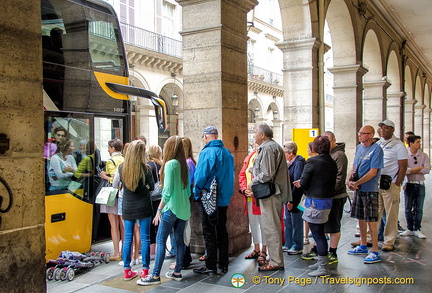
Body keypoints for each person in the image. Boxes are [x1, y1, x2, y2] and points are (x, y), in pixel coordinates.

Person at [137, 136, 191, 285]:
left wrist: (158, 210)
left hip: (171, 208)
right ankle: (177, 272)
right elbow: (187, 191)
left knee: (161, 240)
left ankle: (155, 276)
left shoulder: (170, 165)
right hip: (184, 208)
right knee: (179, 241)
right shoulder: (183, 164)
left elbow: (166, 192)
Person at [193, 126, 235, 275]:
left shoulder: (207, 152)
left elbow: (200, 176)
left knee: (209, 231)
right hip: (223, 199)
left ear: (205, 136)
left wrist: (196, 192)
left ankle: (210, 265)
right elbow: (231, 176)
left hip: (209, 197)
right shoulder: (227, 153)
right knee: (222, 231)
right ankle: (223, 264)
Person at [294, 136, 337, 277]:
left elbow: (305, 182)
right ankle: (321, 262)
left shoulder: (312, 161)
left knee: (318, 235)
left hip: (315, 202)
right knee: (320, 233)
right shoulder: (331, 161)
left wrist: (300, 183)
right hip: (327, 201)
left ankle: (323, 267)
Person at [250, 123, 291, 271]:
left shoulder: (267, 148)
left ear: (262, 135)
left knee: (271, 227)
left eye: (255, 132)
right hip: (274, 193)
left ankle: (276, 261)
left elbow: (267, 174)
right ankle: (275, 258)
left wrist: (253, 181)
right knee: (271, 226)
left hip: (272, 194)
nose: (254, 135)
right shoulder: (272, 146)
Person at [113, 140, 154, 281]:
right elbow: (152, 187)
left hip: (128, 205)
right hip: (144, 205)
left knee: (128, 238)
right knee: (145, 237)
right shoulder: (146, 168)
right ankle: (145, 270)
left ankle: (127, 270)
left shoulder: (121, 168)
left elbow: (115, 184)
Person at [347, 125, 384, 264]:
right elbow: (354, 166)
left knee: (371, 221)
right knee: (360, 218)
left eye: (363, 133)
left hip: (370, 190)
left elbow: (373, 172)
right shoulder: (359, 148)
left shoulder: (377, 150)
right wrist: (349, 180)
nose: (360, 135)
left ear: (371, 135)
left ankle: (374, 250)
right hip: (359, 189)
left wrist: (358, 183)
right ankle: (363, 245)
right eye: (359, 132)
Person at [376, 120, 408, 251]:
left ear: (393, 130)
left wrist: (397, 183)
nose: (383, 130)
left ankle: (389, 240)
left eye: (386, 128)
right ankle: (370, 238)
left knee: (391, 214)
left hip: (391, 183)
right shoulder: (378, 144)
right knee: (375, 212)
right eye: (382, 128)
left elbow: (403, 166)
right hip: (377, 182)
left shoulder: (398, 145)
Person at [239, 143, 267, 265]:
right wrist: (245, 189)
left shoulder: (266, 157)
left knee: (264, 224)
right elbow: (242, 175)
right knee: (253, 223)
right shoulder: (250, 156)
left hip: (261, 197)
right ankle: (256, 248)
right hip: (249, 197)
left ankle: (264, 250)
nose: (257, 146)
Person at [322, 131, 348, 264]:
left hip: (335, 196)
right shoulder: (327, 154)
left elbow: (339, 177)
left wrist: (329, 192)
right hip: (326, 195)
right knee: (325, 225)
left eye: (327, 139)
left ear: (334, 140)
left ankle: (333, 252)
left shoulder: (339, 155)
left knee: (333, 225)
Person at [400, 135, 430, 239]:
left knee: (419, 208)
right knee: (408, 207)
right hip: (409, 184)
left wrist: (412, 170)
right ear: (411, 143)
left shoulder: (424, 155)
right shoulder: (405, 155)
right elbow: (404, 170)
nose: (419, 144)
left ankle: (417, 228)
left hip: (420, 183)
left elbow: (427, 169)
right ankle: (409, 228)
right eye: (417, 142)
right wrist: (419, 168)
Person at [99, 138, 124, 261]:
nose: (108, 150)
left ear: (113, 149)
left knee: (114, 224)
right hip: (123, 195)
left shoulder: (110, 161)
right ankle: (125, 250)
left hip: (112, 195)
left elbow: (114, 180)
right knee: (123, 225)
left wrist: (104, 176)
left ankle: (116, 252)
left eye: (109, 148)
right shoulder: (124, 159)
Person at [282, 141, 305, 255]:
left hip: (294, 198)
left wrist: (292, 201)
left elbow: (297, 184)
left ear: (290, 153)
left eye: (285, 152)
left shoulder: (298, 163)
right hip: (287, 196)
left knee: (296, 221)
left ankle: (297, 245)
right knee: (288, 221)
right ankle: (289, 243)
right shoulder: (290, 163)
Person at [147, 144, 163, 259]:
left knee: (151, 224)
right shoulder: (162, 165)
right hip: (161, 197)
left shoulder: (148, 166)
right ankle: (160, 248)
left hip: (151, 198)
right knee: (160, 223)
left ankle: (152, 250)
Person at [303, 142, 317, 246]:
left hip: (311, 194)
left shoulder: (311, 161)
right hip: (316, 194)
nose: (307, 150)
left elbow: (305, 179)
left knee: (309, 216)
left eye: (308, 148)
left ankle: (306, 237)